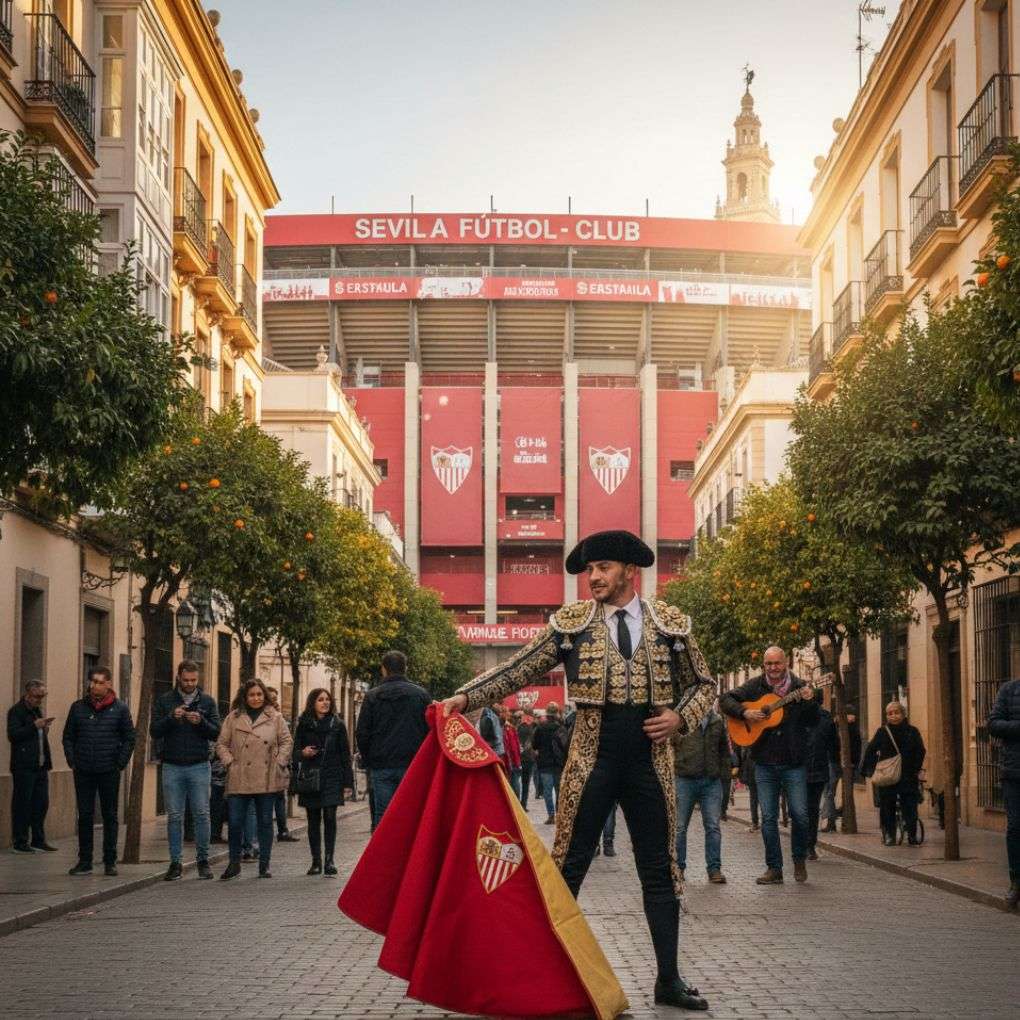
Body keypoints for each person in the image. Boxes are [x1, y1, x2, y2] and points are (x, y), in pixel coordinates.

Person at [441, 530, 716, 1011]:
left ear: (630, 571)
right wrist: (465, 697)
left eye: (602, 568)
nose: (593, 578)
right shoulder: (572, 625)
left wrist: (680, 718)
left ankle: (668, 980)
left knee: (661, 870)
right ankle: (538, 975)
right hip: (592, 755)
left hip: (651, 759)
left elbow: (706, 685)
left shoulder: (670, 624)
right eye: (590, 571)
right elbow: (518, 669)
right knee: (569, 866)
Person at [719, 646, 818, 885]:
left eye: (777, 663)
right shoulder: (755, 686)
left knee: (800, 815)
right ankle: (774, 868)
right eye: (768, 664)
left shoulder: (800, 687)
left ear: (787, 663)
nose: (773, 668)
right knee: (769, 818)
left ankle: (799, 858)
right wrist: (745, 713)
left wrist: (808, 702)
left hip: (794, 761)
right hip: (764, 762)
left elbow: (813, 720)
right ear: (764, 666)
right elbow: (725, 700)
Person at [150, 660, 221, 881]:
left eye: (194, 680)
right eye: (186, 680)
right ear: (178, 678)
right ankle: (175, 863)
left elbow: (216, 732)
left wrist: (200, 722)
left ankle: (203, 861)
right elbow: (154, 730)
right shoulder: (165, 700)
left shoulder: (208, 701)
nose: (190, 684)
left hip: (199, 765)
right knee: (175, 816)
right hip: (172, 765)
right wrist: (173, 718)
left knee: (202, 814)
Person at [62, 666, 136, 876]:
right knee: (84, 815)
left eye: (100, 682)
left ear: (109, 684)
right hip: (83, 769)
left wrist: (120, 763)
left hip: (108, 770)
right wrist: (72, 759)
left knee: (109, 815)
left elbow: (130, 737)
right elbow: (68, 736)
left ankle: (109, 860)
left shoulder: (120, 709)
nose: (95, 685)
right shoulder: (77, 708)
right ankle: (84, 861)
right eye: (92, 681)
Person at [216, 678, 293, 879]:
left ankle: (264, 864)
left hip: (266, 776)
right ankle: (234, 863)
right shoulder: (233, 718)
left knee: (266, 821)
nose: (256, 698)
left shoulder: (275, 717)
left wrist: (279, 762)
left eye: (259, 694)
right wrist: (230, 763)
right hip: (239, 775)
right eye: (252, 695)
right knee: (234, 822)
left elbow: (286, 741)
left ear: (264, 696)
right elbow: (221, 744)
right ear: (245, 696)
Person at [355, 649, 430, 828]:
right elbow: (429, 731)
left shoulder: (372, 696)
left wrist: (368, 760)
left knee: (383, 814)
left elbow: (362, 732)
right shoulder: (420, 695)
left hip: (382, 766)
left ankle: (383, 854)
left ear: (383, 669)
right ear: (406, 668)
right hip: (412, 765)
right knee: (412, 813)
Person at [292, 688, 353, 876]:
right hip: (311, 777)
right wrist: (303, 753)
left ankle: (329, 861)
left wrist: (348, 784)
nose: (325, 702)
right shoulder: (303, 724)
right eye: (320, 699)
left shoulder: (338, 725)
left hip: (333, 776)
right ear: (313, 702)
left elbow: (345, 755)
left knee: (329, 817)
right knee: (313, 820)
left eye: (327, 699)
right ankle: (316, 861)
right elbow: (294, 752)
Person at [674, 707, 729, 884]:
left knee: (713, 826)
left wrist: (724, 778)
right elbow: (670, 744)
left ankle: (714, 869)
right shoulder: (681, 719)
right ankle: (678, 868)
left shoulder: (717, 721)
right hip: (685, 779)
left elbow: (724, 752)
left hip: (711, 781)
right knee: (680, 827)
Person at [862, 701, 926, 847]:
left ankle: (911, 834)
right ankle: (889, 834)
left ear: (903, 714)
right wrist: (871, 769)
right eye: (890, 713)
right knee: (887, 805)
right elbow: (870, 749)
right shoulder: (882, 732)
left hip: (908, 775)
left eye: (897, 712)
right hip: (888, 777)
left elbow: (921, 750)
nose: (893, 716)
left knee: (910, 805)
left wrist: (915, 768)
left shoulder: (912, 731)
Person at [7, 679, 56, 853]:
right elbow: (13, 735)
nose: (40, 700)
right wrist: (34, 726)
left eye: (42, 696)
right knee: (23, 804)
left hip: (40, 766)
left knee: (41, 804)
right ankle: (20, 842)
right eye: (37, 696)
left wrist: (43, 729)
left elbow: (37, 737)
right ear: (28, 694)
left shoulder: (36, 711)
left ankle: (38, 839)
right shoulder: (16, 711)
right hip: (24, 766)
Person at [987, 676, 1020, 909]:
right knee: (1016, 827)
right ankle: (1016, 881)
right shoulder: (1009, 690)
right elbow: (993, 724)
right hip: (1014, 772)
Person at [265, 687, 299, 843]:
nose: (274, 700)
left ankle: (282, 830)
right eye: (271, 697)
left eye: (275, 698)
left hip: (278, 764)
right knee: (269, 800)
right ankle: (270, 831)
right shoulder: (266, 716)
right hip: (264, 764)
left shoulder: (279, 717)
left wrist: (282, 760)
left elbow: (286, 740)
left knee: (280, 798)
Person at [803, 703, 838, 861]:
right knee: (802, 810)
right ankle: (804, 844)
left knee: (810, 810)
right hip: (800, 771)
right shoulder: (796, 716)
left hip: (815, 770)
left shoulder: (825, 719)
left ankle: (809, 845)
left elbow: (834, 745)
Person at [823, 703, 862, 833]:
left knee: (846, 793)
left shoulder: (853, 728)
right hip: (834, 762)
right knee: (829, 792)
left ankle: (843, 818)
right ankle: (830, 821)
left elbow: (857, 746)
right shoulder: (832, 727)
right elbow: (828, 742)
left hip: (848, 764)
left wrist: (853, 763)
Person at [532, 703, 566, 824]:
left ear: (547, 714)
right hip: (558, 764)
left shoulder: (540, 728)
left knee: (547, 791)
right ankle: (559, 813)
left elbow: (534, 745)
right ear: (556, 714)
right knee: (559, 790)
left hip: (545, 764)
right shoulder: (561, 728)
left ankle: (551, 815)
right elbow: (565, 746)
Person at [501, 706, 524, 801]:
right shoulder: (509, 728)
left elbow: (514, 746)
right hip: (511, 760)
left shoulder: (507, 728)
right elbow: (515, 746)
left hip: (509, 760)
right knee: (515, 783)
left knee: (513, 783)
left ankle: (515, 802)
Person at [516, 711, 537, 809]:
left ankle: (518, 803)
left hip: (519, 757)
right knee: (525, 782)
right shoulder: (532, 727)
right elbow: (532, 742)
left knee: (516, 780)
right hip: (528, 757)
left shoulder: (519, 727)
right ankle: (523, 804)